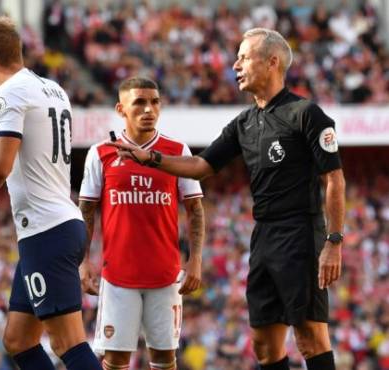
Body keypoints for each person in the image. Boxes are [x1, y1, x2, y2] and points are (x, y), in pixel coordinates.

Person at [109, 28, 346, 370]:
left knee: (309, 338)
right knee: (264, 345)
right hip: (263, 236)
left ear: (272, 62)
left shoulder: (306, 114)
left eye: (244, 57)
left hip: (300, 234)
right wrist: (151, 158)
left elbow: (334, 179)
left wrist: (334, 241)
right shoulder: (244, 122)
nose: (235, 65)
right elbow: (201, 165)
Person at [0, 17, 103, 370]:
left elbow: (1, 168)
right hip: (58, 225)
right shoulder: (50, 88)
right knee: (18, 341)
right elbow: (12, 158)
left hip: (45, 231)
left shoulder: (9, 93)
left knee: (69, 343)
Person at [78, 77, 205, 370]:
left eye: (155, 102)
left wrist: (195, 259)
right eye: (140, 102)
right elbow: (86, 210)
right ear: (121, 109)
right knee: (116, 359)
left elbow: (195, 208)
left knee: (163, 358)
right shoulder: (101, 152)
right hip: (118, 275)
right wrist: (82, 261)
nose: (149, 109)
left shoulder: (177, 150)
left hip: (166, 273)